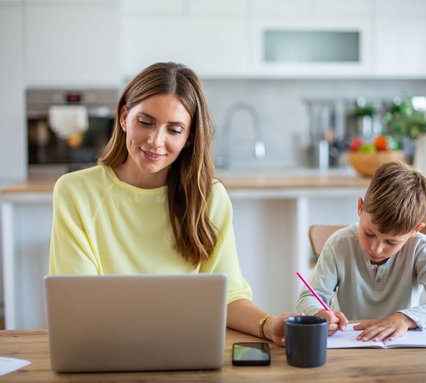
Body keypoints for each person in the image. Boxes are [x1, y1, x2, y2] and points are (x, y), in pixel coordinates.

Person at [49, 62, 294, 346]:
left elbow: (227, 297)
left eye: (174, 130)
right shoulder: (76, 192)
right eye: (146, 122)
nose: (156, 141)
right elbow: (78, 302)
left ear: (189, 137)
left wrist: (269, 325)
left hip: (184, 349)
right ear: (124, 117)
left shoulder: (209, 197)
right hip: (106, 347)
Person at [296, 161, 426, 342]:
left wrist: (405, 318)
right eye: (369, 233)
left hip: (401, 347)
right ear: (360, 207)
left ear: (416, 230)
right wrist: (319, 314)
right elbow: (308, 297)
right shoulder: (339, 244)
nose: (376, 248)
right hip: (351, 343)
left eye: (391, 242)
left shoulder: (420, 249)